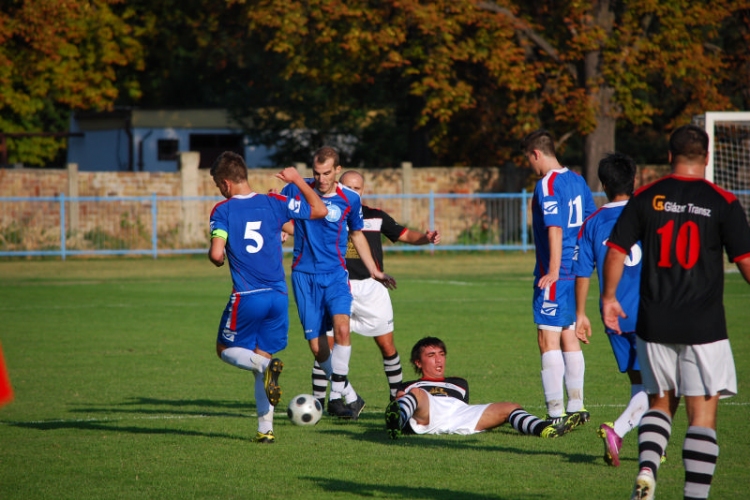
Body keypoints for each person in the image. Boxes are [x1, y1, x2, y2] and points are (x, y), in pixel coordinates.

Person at [602, 124, 750, 500]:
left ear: (669, 156)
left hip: (655, 323)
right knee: (702, 418)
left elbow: (616, 250)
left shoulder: (647, 197)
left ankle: (648, 471)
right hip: (705, 326)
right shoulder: (724, 201)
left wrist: (608, 298)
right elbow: (747, 263)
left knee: (660, 404)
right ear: (709, 155)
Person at [208, 151, 328, 444]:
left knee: (224, 349)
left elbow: (216, 253)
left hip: (248, 296)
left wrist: (219, 257)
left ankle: (265, 367)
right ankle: (265, 430)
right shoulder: (274, 203)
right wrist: (298, 180)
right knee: (260, 362)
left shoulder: (222, 210)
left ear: (225, 183)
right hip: (278, 296)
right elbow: (320, 210)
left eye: (216, 184)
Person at [310, 170, 441, 413]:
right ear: (339, 187)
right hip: (337, 286)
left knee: (387, 346)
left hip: (371, 289)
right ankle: (318, 402)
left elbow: (404, 234)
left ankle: (397, 400)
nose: (353, 192)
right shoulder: (326, 214)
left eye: (357, 188)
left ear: (363, 191)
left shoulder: (375, 217)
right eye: (348, 187)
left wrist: (426, 237)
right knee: (324, 346)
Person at [281, 147, 396, 420]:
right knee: (317, 347)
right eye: (316, 173)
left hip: (335, 275)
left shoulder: (350, 199)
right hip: (304, 276)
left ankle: (335, 396)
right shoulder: (295, 190)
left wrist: (374, 271)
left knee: (342, 329)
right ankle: (351, 396)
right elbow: (278, 216)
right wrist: (281, 230)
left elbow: (357, 234)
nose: (320, 179)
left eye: (326, 173)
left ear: (337, 171)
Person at [573, 152, 650, 467]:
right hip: (652, 314)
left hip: (614, 317)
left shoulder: (591, 222)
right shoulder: (648, 214)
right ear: (635, 181)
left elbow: (581, 272)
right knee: (665, 388)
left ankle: (651, 447)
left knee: (639, 382)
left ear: (602, 184)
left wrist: (580, 314)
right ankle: (617, 431)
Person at [521, 129, 596, 426]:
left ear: (536, 153)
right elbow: (589, 221)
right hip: (577, 269)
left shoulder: (547, 184)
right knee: (569, 334)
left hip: (557, 272)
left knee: (546, 338)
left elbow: (554, 227)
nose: (530, 165)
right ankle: (577, 407)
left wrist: (552, 270)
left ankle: (555, 415)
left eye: (528, 158)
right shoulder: (577, 180)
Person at [384, 336, 582, 439]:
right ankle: (398, 422)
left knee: (510, 406)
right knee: (416, 394)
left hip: (460, 413)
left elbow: (460, 406)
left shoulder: (459, 383)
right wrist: (402, 403)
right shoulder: (411, 385)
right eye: (431, 355)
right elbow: (399, 398)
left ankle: (544, 429)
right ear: (418, 363)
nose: (438, 360)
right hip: (429, 410)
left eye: (442, 354)